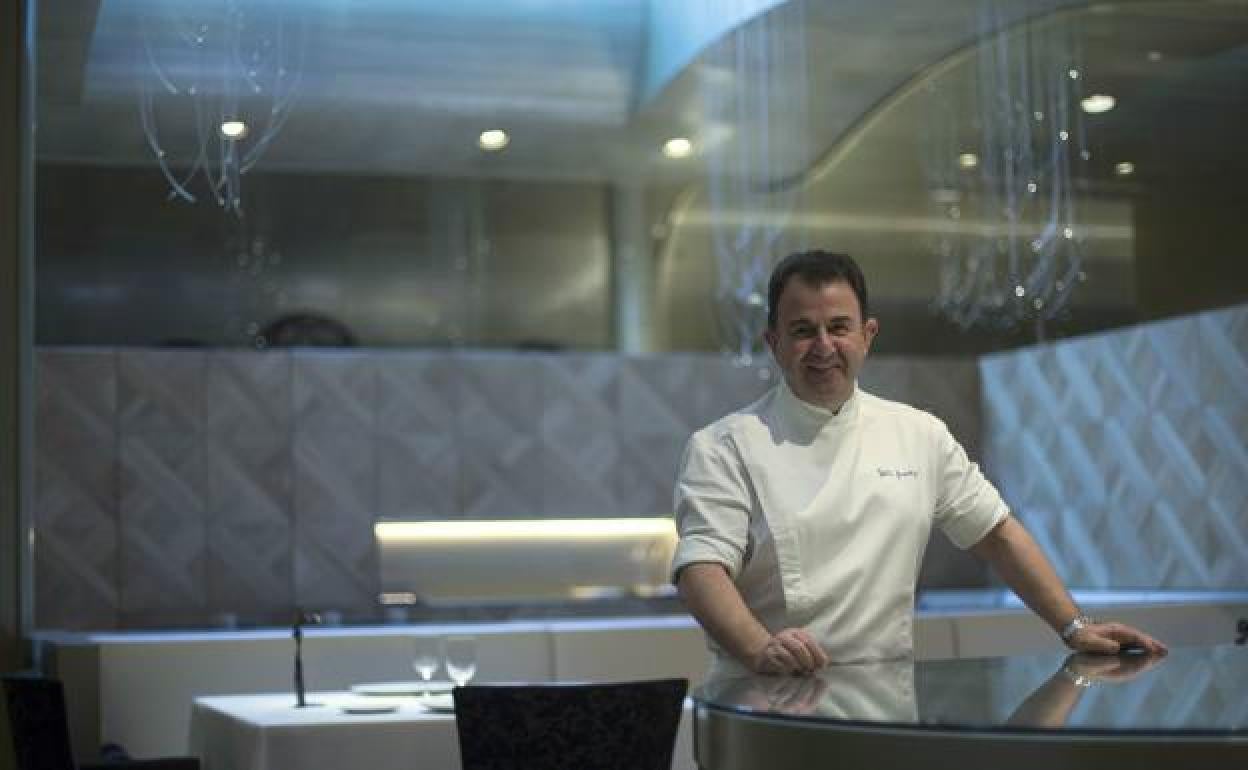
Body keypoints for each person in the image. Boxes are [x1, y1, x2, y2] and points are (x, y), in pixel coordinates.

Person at [671, 250, 1166, 676]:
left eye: (838, 327)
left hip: (885, 695)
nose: (823, 347)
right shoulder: (723, 446)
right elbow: (702, 568)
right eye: (803, 331)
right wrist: (760, 648)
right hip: (767, 697)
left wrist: (1074, 626)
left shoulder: (918, 433)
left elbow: (996, 532)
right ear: (773, 343)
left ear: (867, 334)